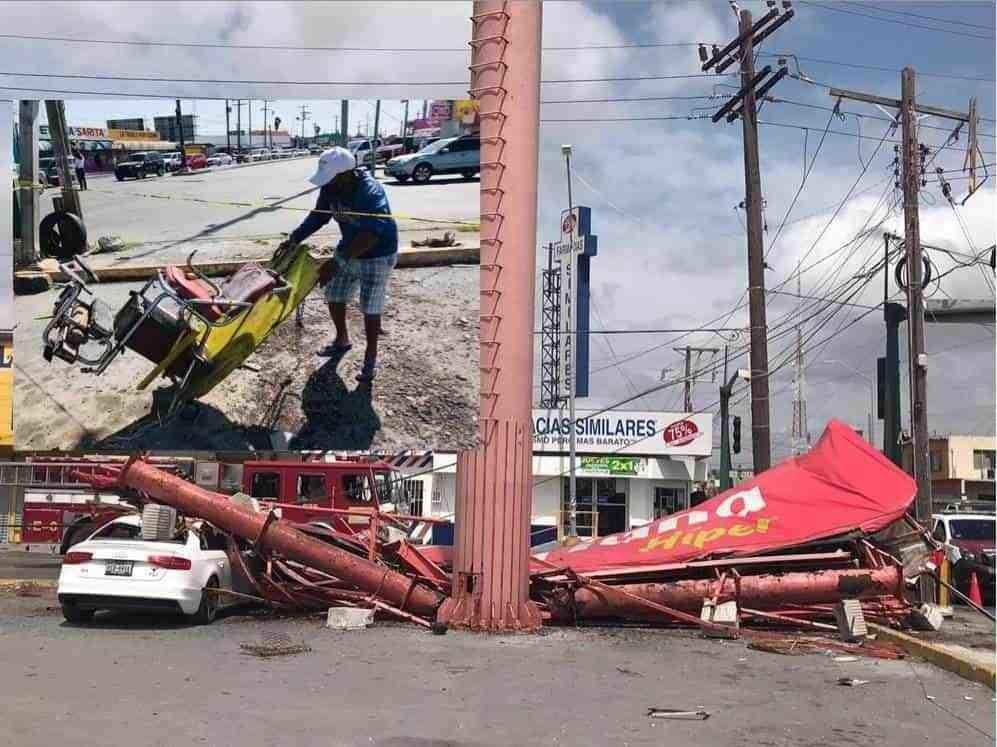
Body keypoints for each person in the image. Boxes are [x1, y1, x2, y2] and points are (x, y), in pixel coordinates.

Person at [279, 147, 398, 384]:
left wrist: (337, 261)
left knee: (370, 305)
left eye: (330, 178)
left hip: (378, 253)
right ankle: (342, 340)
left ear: (346, 174)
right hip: (349, 247)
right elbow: (319, 216)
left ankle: (370, 355)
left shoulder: (370, 191)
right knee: (334, 294)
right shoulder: (331, 188)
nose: (327, 185)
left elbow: (372, 234)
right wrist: (293, 239)